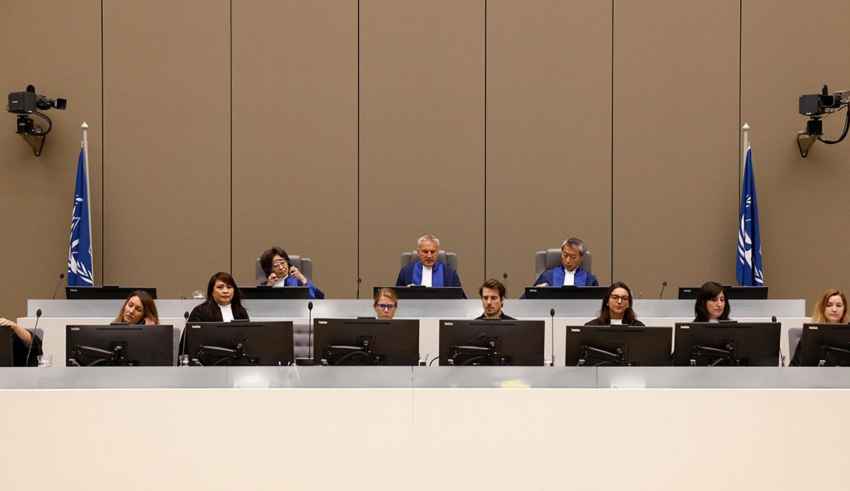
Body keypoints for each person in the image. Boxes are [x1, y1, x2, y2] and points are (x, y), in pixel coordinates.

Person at [791, 289, 848, 365]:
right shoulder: (810, 334)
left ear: (844, 309)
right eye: (829, 305)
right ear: (822, 308)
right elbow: (794, 366)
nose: (834, 309)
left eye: (838, 305)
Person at [396, 234, 461, 287]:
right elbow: (396, 296)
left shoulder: (449, 273)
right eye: (425, 251)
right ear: (418, 252)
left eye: (432, 252)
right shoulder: (406, 272)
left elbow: (459, 297)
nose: (429, 256)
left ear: (437, 253)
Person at [258, 247, 325, 299]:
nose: (281, 267)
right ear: (269, 269)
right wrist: (268, 288)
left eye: (282, 263)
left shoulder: (298, 282)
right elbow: (258, 306)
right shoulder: (265, 285)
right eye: (276, 266)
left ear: (287, 263)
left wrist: (303, 279)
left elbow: (316, 300)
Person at [532, 237, 599, 287]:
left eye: (573, 257)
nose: (568, 260)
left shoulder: (589, 279)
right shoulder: (548, 276)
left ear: (581, 258)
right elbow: (530, 297)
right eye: (565, 255)